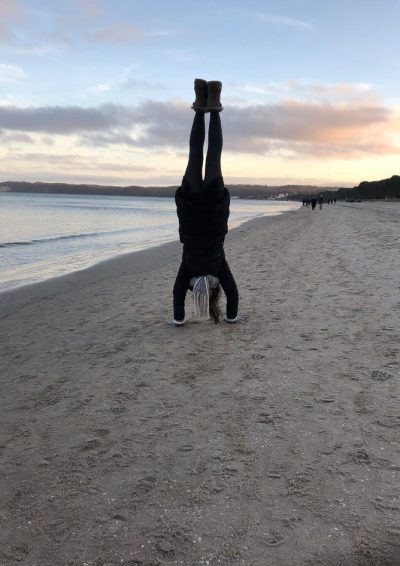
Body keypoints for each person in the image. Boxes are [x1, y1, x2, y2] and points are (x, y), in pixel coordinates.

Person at [172, 79, 239, 326]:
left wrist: (231, 317)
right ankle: (201, 104)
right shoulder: (187, 273)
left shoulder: (218, 270)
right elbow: (177, 296)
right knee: (195, 153)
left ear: (213, 291)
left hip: (213, 208)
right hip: (190, 208)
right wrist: (178, 319)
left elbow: (234, 296)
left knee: (213, 155)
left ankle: (214, 103)